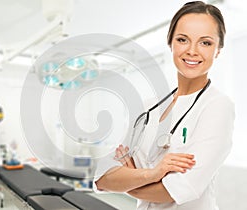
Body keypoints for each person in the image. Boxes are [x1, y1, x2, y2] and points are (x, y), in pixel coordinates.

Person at [94, 1, 235, 210]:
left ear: (218, 50)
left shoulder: (217, 107)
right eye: (182, 40)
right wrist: (152, 174)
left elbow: (175, 191)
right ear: (171, 43)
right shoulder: (147, 108)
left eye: (205, 42)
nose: (193, 51)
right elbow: (102, 177)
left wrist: (129, 181)